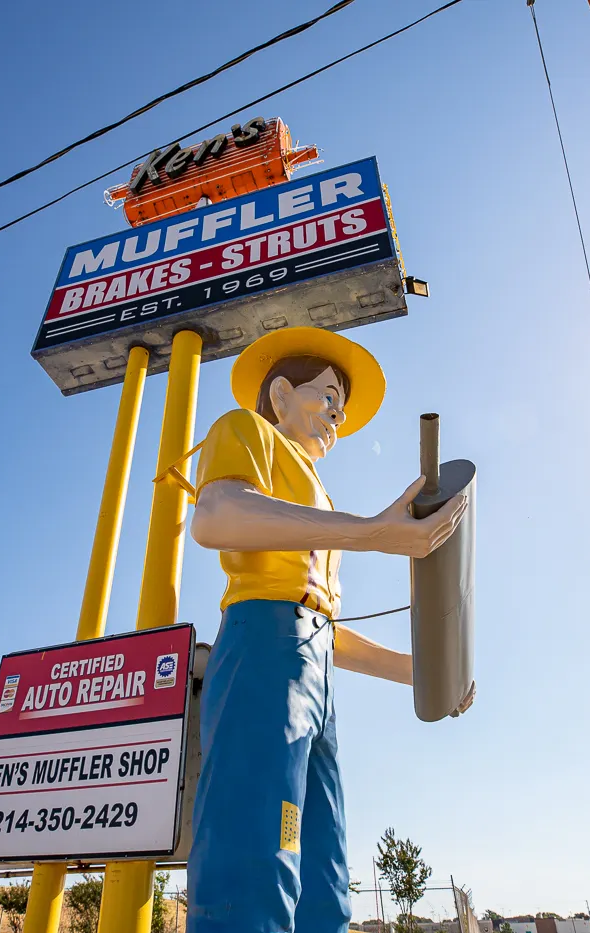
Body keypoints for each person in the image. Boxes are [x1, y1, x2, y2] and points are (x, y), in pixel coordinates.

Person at [183, 326, 472, 933]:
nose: (337, 414)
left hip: (315, 674)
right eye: (327, 395)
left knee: (321, 859)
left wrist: (429, 675)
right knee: (257, 842)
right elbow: (214, 517)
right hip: (262, 648)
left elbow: (324, 626)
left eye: (341, 407)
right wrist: (369, 532)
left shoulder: (317, 494)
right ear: (281, 394)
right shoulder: (246, 430)